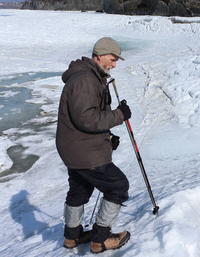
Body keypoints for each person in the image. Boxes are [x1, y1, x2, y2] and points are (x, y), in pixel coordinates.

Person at [56, 37, 132, 253]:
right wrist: (119, 115)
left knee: (79, 189)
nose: (114, 64)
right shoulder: (85, 80)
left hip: (76, 146)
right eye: (112, 59)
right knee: (117, 186)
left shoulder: (89, 77)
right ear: (99, 55)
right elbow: (87, 119)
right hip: (83, 150)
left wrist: (107, 137)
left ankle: (73, 237)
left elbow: (89, 116)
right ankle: (101, 239)